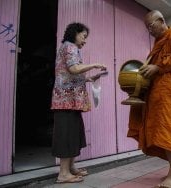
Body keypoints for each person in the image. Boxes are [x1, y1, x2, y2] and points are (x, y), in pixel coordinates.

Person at [127, 10, 171, 188]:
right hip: (159, 94)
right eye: (147, 28)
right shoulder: (157, 44)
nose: (149, 30)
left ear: (162, 20)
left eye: (151, 25)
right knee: (163, 132)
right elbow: (153, 67)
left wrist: (157, 67)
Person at [51, 22, 106, 183]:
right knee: (66, 134)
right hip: (66, 100)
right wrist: (95, 64)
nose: (85, 40)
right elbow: (74, 69)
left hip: (71, 100)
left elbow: (71, 74)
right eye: (83, 36)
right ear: (75, 33)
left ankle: (71, 168)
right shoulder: (70, 47)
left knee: (73, 133)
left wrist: (89, 78)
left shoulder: (70, 48)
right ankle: (63, 174)